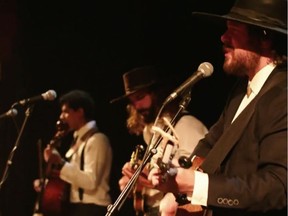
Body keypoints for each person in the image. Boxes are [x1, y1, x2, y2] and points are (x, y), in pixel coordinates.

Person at [148, 0, 287, 216]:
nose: (223, 37)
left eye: (234, 30)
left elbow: (278, 187)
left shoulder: (283, 95)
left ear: (265, 38)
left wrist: (196, 185)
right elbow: (210, 145)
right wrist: (174, 175)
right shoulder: (241, 90)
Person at [110, 66, 208, 216]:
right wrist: (137, 182)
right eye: (132, 101)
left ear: (157, 94)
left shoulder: (186, 125)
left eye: (140, 97)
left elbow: (199, 174)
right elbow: (158, 174)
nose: (137, 106)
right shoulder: (150, 131)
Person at [34, 89, 113, 216]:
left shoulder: (97, 139)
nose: (61, 116)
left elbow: (90, 181)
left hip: (92, 209)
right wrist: (47, 185)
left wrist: (60, 163)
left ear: (80, 112)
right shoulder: (77, 140)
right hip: (77, 208)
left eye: (66, 111)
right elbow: (71, 177)